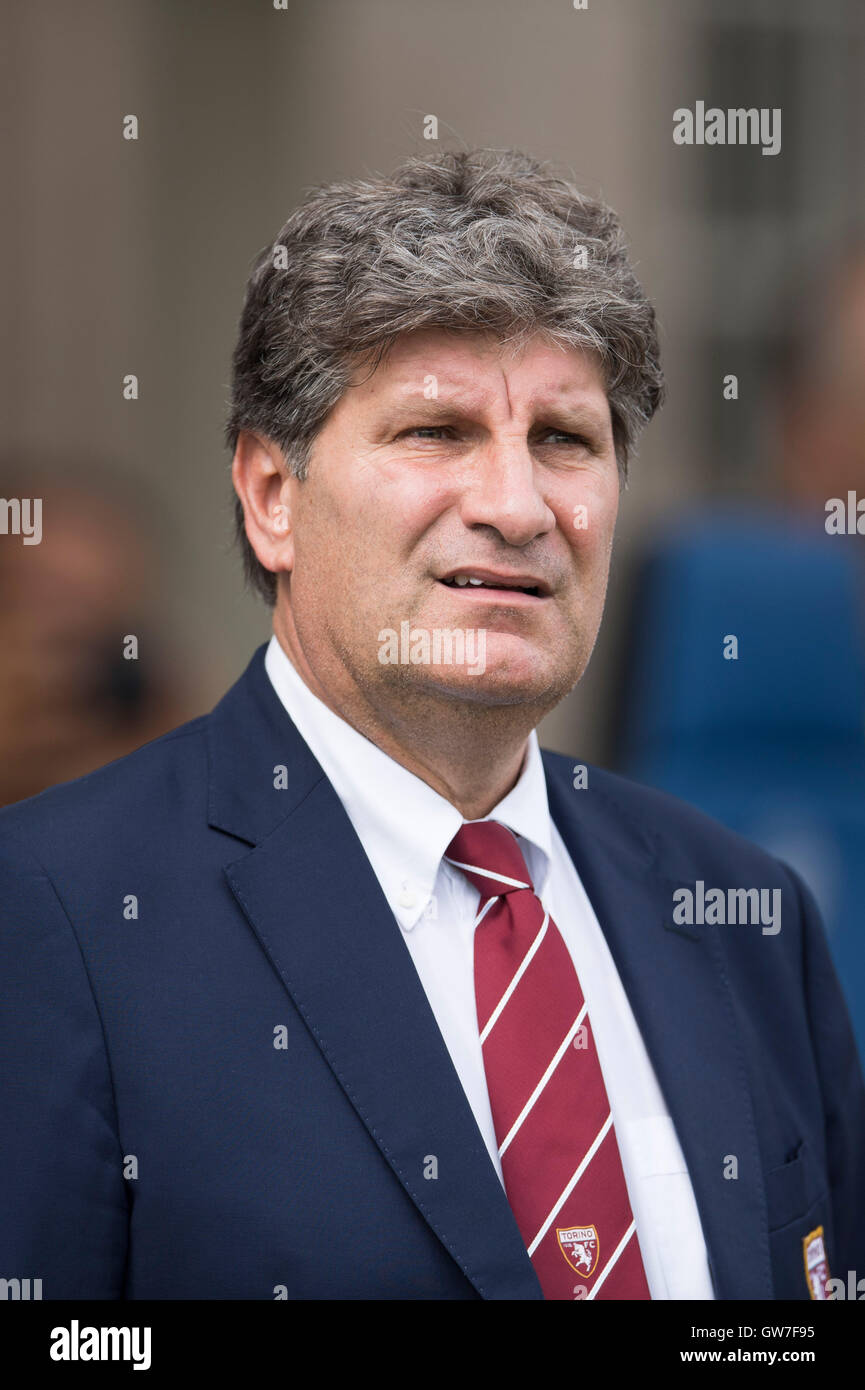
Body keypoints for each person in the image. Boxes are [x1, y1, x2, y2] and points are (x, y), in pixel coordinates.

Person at [1, 149, 862, 1301]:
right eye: (436, 432)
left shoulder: (744, 914)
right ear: (271, 497)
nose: (515, 506)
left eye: (564, 439)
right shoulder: (54, 912)